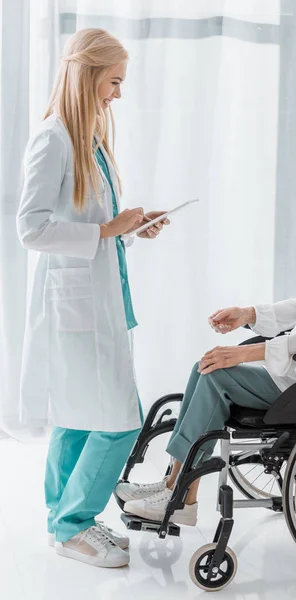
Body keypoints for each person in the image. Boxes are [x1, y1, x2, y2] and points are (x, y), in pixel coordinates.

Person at [116, 163, 296, 526]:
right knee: (208, 366)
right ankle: (174, 482)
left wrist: (246, 352)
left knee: (215, 373)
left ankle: (181, 495)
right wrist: (248, 313)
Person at [16, 28, 169, 568]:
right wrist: (107, 232)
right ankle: (74, 524)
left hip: (95, 298)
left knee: (78, 417)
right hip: (73, 306)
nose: (118, 95)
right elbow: (29, 229)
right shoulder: (53, 140)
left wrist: (128, 228)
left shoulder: (91, 140)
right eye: (114, 82)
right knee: (118, 419)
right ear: (88, 77)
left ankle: (64, 523)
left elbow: (90, 223)